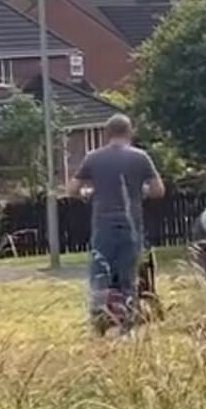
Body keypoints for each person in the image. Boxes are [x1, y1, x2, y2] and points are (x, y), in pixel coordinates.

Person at [67, 113, 166, 328]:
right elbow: (159, 190)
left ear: (106, 134)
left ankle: (101, 321)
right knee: (128, 277)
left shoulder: (93, 158)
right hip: (132, 225)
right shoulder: (141, 157)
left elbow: (72, 189)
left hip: (103, 225)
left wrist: (88, 192)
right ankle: (127, 325)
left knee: (101, 273)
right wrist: (141, 192)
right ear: (129, 132)